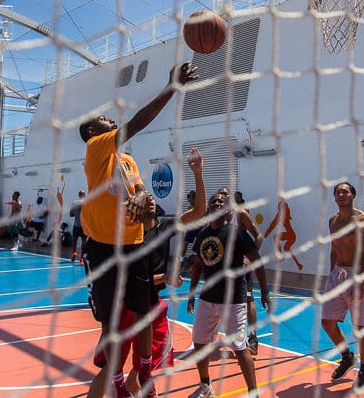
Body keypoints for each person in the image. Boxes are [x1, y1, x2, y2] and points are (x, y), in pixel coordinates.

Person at [80, 61, 198, 398]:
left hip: (135, 243)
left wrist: (146, 202)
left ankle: (144, 366)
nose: (111, 119)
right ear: (94, 132)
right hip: (104, 248)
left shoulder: (128, 161)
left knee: (145, 311)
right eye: (105, 120)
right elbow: (136, 123)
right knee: (112, 323)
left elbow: (145, 200)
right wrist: (171, 88)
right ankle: (117, 383)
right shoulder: (96, 148)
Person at [89, 148, 207, 398]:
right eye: (143, 196)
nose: (148, 198)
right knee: (112, 367)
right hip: (127, 307)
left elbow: (199, 212)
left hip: (151, 305)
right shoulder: (123, 239)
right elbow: (127, 281)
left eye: (151, 197)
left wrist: (198, 173)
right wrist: (165, 278)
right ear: (133, 208)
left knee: (146, 367)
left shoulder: (164, 230)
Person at [187, 191, 272, 398]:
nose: (217, 203)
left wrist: (264, 290)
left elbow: (257, 261)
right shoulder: (203, 235)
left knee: (239, 347)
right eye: (213, 201)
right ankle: (206, 385)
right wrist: (192, 293)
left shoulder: (237, 234)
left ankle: (253, 393)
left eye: (221, 202)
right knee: (199, 343)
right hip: (208, 297)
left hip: (233, 299)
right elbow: (198, 265)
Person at [321, 182, 364, 391]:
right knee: (327, 322)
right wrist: (331, 274)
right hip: (338, 274)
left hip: (358, 273)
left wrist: (361, 280)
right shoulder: (333, 221)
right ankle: (347, 357)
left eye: (345, 191)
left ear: (353, 195)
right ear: (334, 198)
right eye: (338, 192)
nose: (341, 195)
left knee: (361, 328)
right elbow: (334, 249)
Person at [220, 188, 264, 356]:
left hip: (241, 266)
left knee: (248, 299)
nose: (223, 197)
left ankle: (253, 337)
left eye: (226, 194)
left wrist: (248, 258)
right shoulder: (216, 217)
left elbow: (259, 236)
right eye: (221, 194)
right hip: (223, 268)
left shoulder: (241, 214)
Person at [263, 199, 304, 270]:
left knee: (275, 237)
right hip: (292, 235)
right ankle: (299, 265)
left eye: (278, 206)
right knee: (286, 248)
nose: (277, 207)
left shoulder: (280, 215)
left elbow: (273, 224)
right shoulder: (285, 213)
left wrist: (267, 232)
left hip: (291, 235)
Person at [69, 190, 86, 263]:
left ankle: (74, 253)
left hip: (76, 225)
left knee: (74, 240)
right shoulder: (87, 203)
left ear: (78, 195)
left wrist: (76, 215)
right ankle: (81, 257)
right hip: (84, 226)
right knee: (83, 242)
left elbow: (71, 214)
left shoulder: (74, 203)